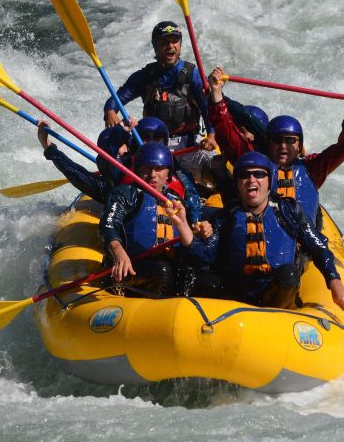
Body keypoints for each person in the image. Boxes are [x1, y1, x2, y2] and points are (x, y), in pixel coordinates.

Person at [167, 151, 344, 315]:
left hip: (275, 294)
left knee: (289, 274)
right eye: (244, 175)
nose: (251, 180)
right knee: (206, 282)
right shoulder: (226, 218)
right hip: (237, 293)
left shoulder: (287, 211)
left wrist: (334, 281)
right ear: (238, 184)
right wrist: (184, 226)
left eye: (258, 174)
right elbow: (204, 256)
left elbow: (317, 246)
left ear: (269, 181)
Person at [207, 65, 344, 222]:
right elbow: (227, 133)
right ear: (268, 143)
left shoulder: (312, 168)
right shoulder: (255, 166)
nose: (283, 146)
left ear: (299, 145)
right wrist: (216, 95)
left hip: (304, 245)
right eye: (277, 140)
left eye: (290, 140)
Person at [103, 21, 218, 187]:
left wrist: (212, 135)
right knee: (118, 160)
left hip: (187, 144)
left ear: (180, 44)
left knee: (217, 168)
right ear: (155, 46)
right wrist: (110, 111)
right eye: (164, 43)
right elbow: (116, 99)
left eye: (174, 41)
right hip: (152, 146)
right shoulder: (144, 76)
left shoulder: (192, 75)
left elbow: (207, 108)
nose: (170, 47)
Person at [98, 142, 182, 295]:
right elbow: (109, 225)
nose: (152, 175)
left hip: (163, 265)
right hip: (127, 268)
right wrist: (118, 251)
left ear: (168, 173)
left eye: (158, 169)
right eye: (147, 169)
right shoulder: (126, 194)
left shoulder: (175, 201)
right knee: (161, 271)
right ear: (137, 171)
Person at [38, 120, 132, 204]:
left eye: (119, 145)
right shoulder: (103, 187)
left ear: (128, 146)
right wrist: (45, 143)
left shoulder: (138, 162)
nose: (116, 152)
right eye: (106, 149)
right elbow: (70, 169)